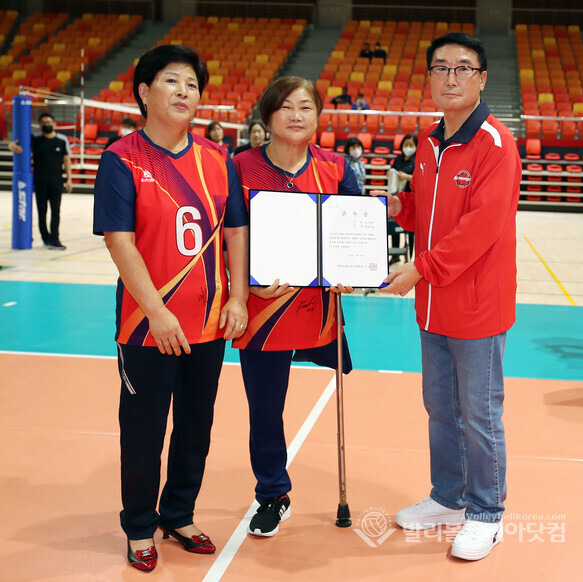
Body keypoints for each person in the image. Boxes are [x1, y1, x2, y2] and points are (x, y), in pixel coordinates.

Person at [93, 44, 249, 572]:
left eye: (192, 84)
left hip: (207, 325)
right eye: (171, 81)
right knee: (143, 430)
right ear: (143, 91)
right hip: (147, 327)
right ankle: (139, 526)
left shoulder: (217, 160)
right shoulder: (120, 159)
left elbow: (235, 231)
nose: (184, 92)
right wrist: (157, 312)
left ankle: (178, 513)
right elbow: (120, 242)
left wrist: (238, 295)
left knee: (194, 428)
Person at [379, 33, 521, 560]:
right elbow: (426, 211)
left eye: (463, 68)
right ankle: (448, 497)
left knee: (479, 414)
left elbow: (478, 228)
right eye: (441, 68)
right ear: (430, 79)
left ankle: (486, 512)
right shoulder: (427, 141)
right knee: (440, 408)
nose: (452, 77)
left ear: (482, 78)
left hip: (478, 308)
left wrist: (419, 268)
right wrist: (391, 210)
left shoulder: (496, 145)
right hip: (433, 307)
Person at [233, 76, 360, 538]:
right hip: (262, 309)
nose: (296, 115)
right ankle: (273, 493)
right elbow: (230, 236)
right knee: (265, 409)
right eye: (285, 107)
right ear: (267, 116)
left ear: (318, 117)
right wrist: (244, 285)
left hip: (317, 305)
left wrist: (354, 267)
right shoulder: (241, 166)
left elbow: (355, 226)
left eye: (305, 107)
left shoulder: (337, 168)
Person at [8, 112, 72, 249]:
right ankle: (46, 238)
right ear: (40, 126)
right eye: (44, 123)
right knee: (41, 211)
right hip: (40, 181)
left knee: (56, 211)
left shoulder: (61, 141)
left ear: (54, 124)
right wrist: (13, 148)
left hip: (56, 181)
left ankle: (55, 238)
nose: (47, 125)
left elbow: (66, 160)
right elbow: (14, 145)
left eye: (49, 122)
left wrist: (69, 179)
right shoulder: (35, 140)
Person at [386, 134, 418, 260]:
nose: (408, 147)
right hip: (397, 197)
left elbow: (419, 178)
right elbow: (392, 170)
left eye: (411, 145)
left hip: (411, 198)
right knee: (394, 225)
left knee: (410, 228)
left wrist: (406, 177)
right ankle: (395, 256)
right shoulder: (398, 159)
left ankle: (411, 256)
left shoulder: (418, 160)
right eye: (406, 145)